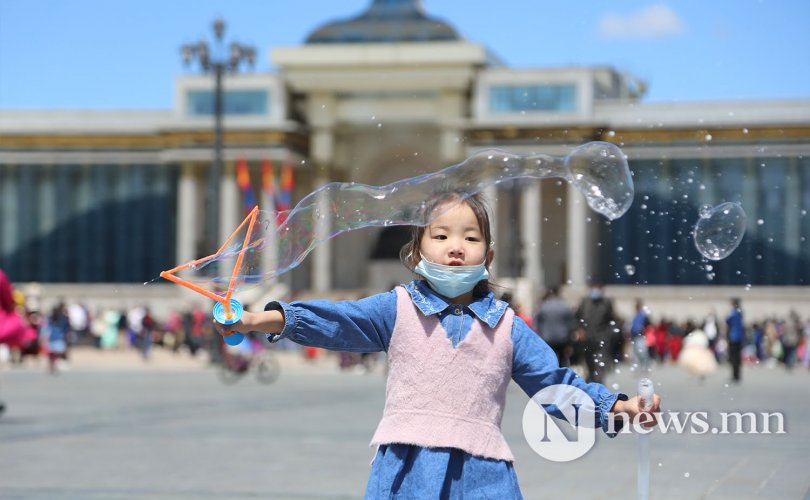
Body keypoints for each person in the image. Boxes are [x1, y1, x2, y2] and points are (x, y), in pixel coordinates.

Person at [214, 191, 660, 498]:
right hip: (406, 471)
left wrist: (618, 408)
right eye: (441, 235)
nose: (455, 247)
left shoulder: (507, 325)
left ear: (487, 258)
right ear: (417, 253)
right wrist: (254, 318)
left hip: (484, 477)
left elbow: (554, 384)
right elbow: (335, 320)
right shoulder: (397, 308)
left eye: (470, 237)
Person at [575, 281, 618, 383]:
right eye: (594, 287)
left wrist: (609, 334)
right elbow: (577, 318)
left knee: (600, 364)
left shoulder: (606, 302)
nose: (596, 290)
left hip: (601, 339)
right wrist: (580, 330)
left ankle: (599, 386)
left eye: (598, 287)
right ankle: (591, 382)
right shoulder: (585, 302)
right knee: (589, 364)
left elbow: (612, 319)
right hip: (587, 339)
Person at [533, 287, 574, 367]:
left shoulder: (544, 305)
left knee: (550, 361)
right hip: (562, 338)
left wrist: (539, 334)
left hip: (547, 338)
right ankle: (562, 376)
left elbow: (537, 322)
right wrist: (570, 339)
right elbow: (570, 323)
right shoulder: (564, 306)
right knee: (563, 361)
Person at [628, 299, 651, 373]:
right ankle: (637, 368)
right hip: (634, 337)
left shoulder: (643, 316)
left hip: (641, 337)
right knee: (635, 354)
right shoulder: (633, 315)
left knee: (642, 352)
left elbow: (648, 325)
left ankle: (645, 367)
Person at [726, 298, 745, 383]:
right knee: (737, 357)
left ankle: (734, 375)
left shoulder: (733, 312)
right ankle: (738, 375)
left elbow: (728, 321)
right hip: (739, 337)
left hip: (733, 337)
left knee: (733, 357)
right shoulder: (740, 312)